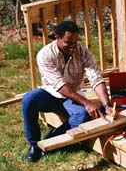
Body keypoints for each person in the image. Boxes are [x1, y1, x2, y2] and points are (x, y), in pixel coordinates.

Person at [22, 21, 116, 162]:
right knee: (29, 99)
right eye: (68, 42)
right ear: (57, 37)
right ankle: (34, 144)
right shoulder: (45, 54)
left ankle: (51, 140)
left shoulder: (83, 52)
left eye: (75, 42)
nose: (73, 46)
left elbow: (95, 79)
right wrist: (86, 102)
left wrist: (107, 104)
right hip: (50, 93)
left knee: (83, 115)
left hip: (72, 96)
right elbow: (59, 85)